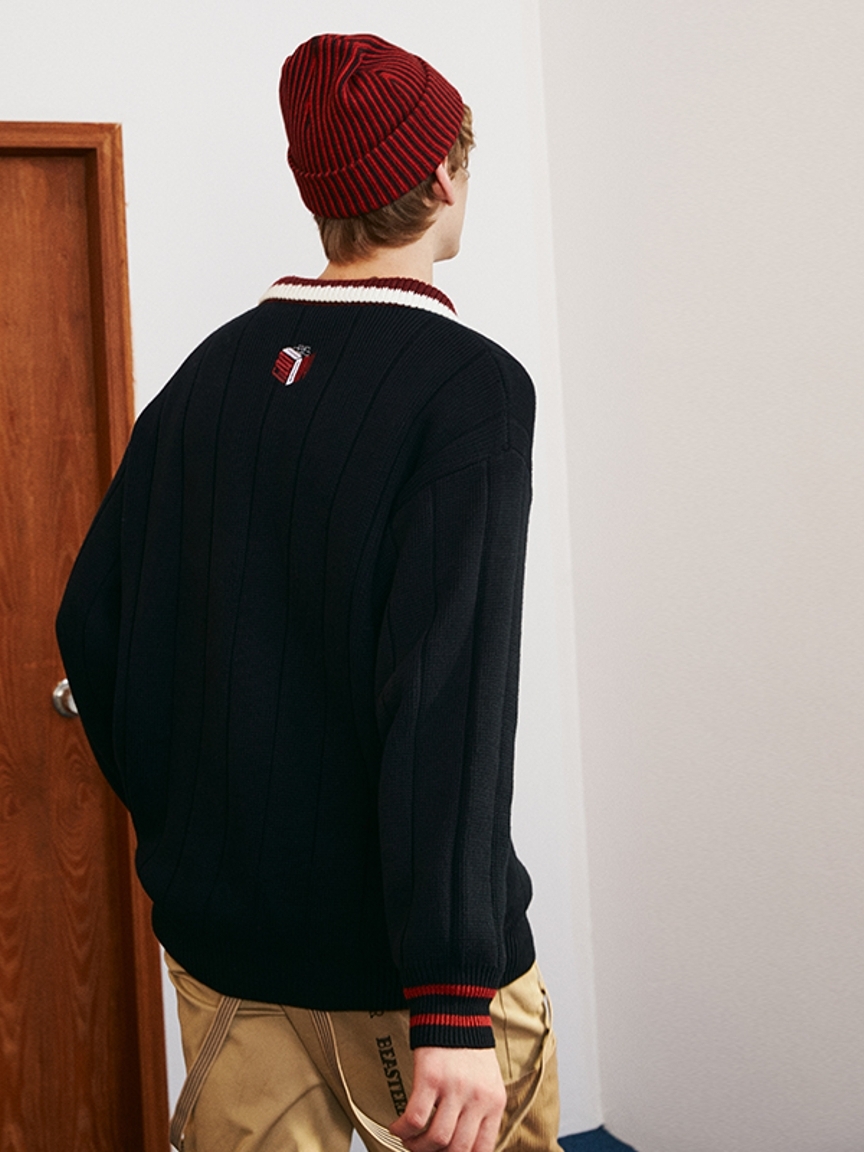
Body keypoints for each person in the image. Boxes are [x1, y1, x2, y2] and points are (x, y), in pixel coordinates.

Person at [56, 31, 560, 1152]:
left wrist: (202, 833)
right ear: (442, 178)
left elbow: (91, 624)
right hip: (413, 989)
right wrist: (452, 1004)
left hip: (230, 964)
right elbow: (450, 703)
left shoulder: (205, 378)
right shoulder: (471, 390)